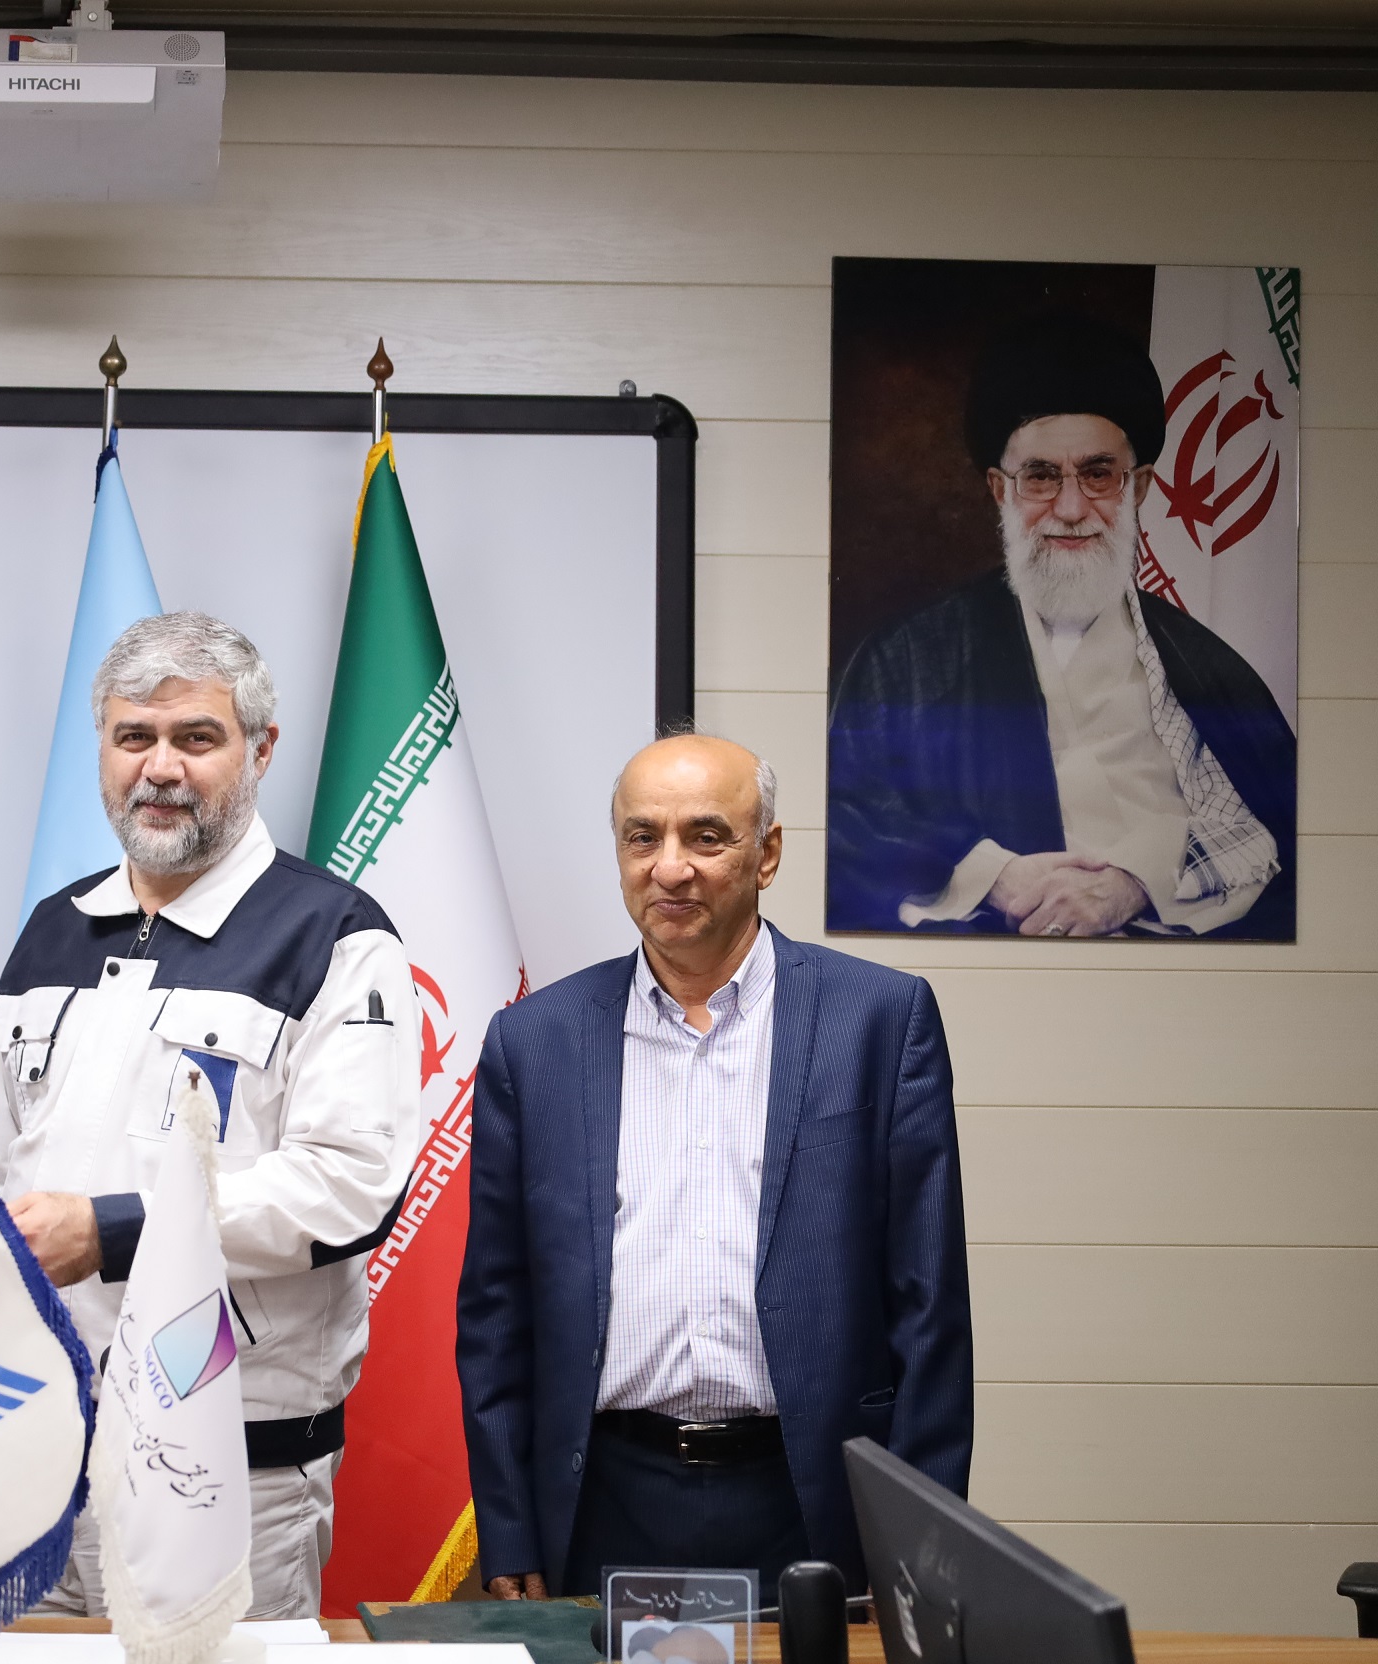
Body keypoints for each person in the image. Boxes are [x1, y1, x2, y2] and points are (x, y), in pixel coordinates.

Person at [458, 734, 971, 1604]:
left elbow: (931, 1309)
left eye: (706, 837)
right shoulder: (534, 1042)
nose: (670, 868)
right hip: (602, 1501)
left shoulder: (881, 1021)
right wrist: (509, 1529)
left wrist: (921, 1543)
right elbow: (496, 1314)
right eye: (642, 837)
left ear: (766, 854)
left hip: (813, 1501)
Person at [0, 612, 419, 1619]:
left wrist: (113, 1230)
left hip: (227, 1470)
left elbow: (348, 1186)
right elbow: (2, 1165)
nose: (160, 767)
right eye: (134, 737)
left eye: (196, 737)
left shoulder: (336, 935)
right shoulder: (52, 929)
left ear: (259, 750)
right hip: (32, 1455)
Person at [828, 314, 1295, 939]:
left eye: (1098, 474)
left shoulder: (1205, 666)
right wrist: (991, 875)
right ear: (1001, 490)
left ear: (1138, 487)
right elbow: (844, 823)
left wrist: (1137, 880)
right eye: (1041, 476)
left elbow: (1276, 831)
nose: (1071, 509)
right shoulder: (907, 659)